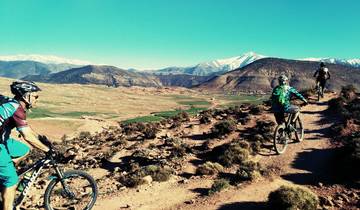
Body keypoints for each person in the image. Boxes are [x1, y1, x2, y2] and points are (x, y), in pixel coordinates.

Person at [0, 81, 50, 210]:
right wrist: (47, 150)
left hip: (3, 140)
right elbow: (26, 136)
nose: (37, 99)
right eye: (35, 96)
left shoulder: (12, 104)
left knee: (23, 149)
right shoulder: (16, 109)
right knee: (12, 180)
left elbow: (27, 129)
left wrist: (40, 138)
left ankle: (4, 172)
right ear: (25, 96)